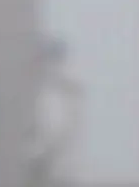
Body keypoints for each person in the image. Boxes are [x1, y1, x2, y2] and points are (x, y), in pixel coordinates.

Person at [25, 37, 83, 187]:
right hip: (62, 168)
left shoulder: (54, 90)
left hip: (50, 169)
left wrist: (36, 155)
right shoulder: (66, 88)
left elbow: (54, 129)